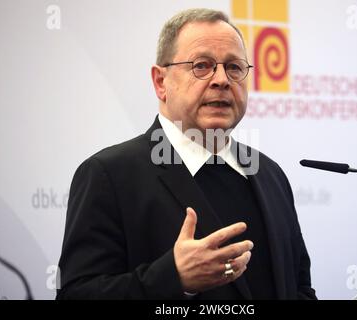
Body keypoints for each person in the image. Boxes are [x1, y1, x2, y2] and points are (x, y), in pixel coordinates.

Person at [56, 8, 316, 300]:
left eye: (234, 67)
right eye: (201, 66)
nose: (222, 80)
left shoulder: (269, 173)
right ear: (160, 82)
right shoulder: (109, 175)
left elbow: (299, 287)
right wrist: (174, 278)